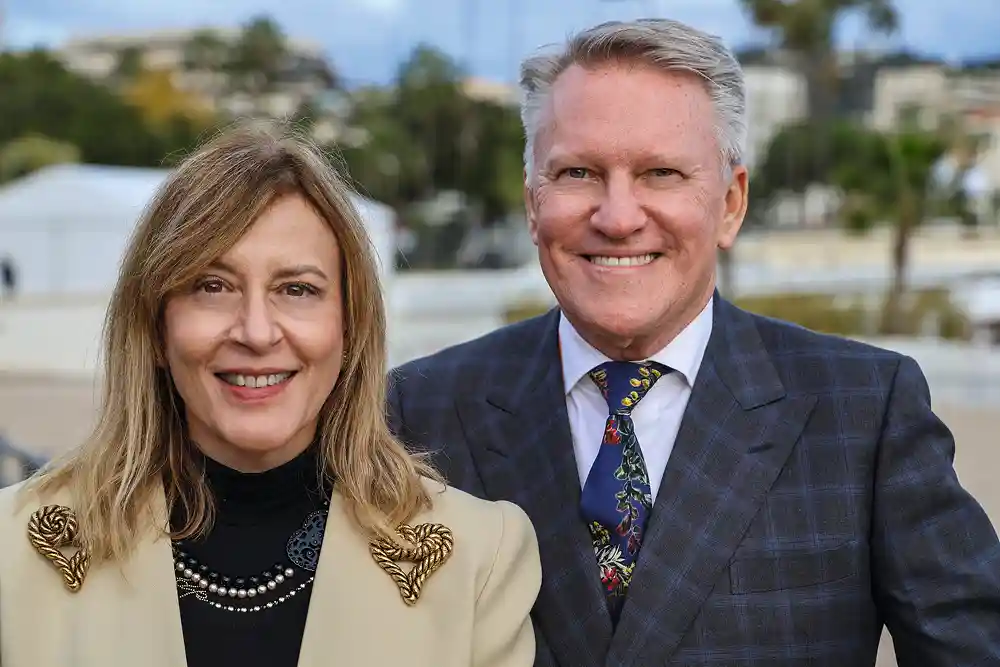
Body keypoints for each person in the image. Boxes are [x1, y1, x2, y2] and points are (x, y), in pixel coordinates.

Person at [387, 18, 1000, 667]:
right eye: (578, 172)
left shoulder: (862, 412)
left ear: (731, 204)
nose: (618, 217)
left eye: (660, 172)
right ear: (533, 202)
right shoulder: (419, 412)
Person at [0, 121, 541, 667]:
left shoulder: (475, 559)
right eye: (212, 286)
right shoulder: (14, 551)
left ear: (350, 328)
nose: (256, 333)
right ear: (156, 327)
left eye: (297, 289)